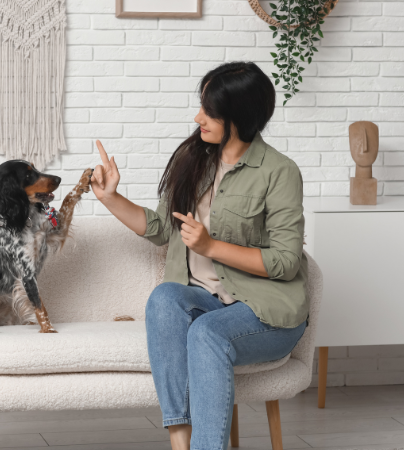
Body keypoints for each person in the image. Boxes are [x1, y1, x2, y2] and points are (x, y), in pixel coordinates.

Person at [91, 61, 309, 450]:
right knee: (164, 298)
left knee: (206, 333)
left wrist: (211, 247)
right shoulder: (192, 159)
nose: (198, 117)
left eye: (210, 110)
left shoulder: (279, 171)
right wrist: (110, 198)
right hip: (207, 301)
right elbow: (162, 229)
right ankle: (181, 444)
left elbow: (286, 261)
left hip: (265, 311)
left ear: (239, 115)